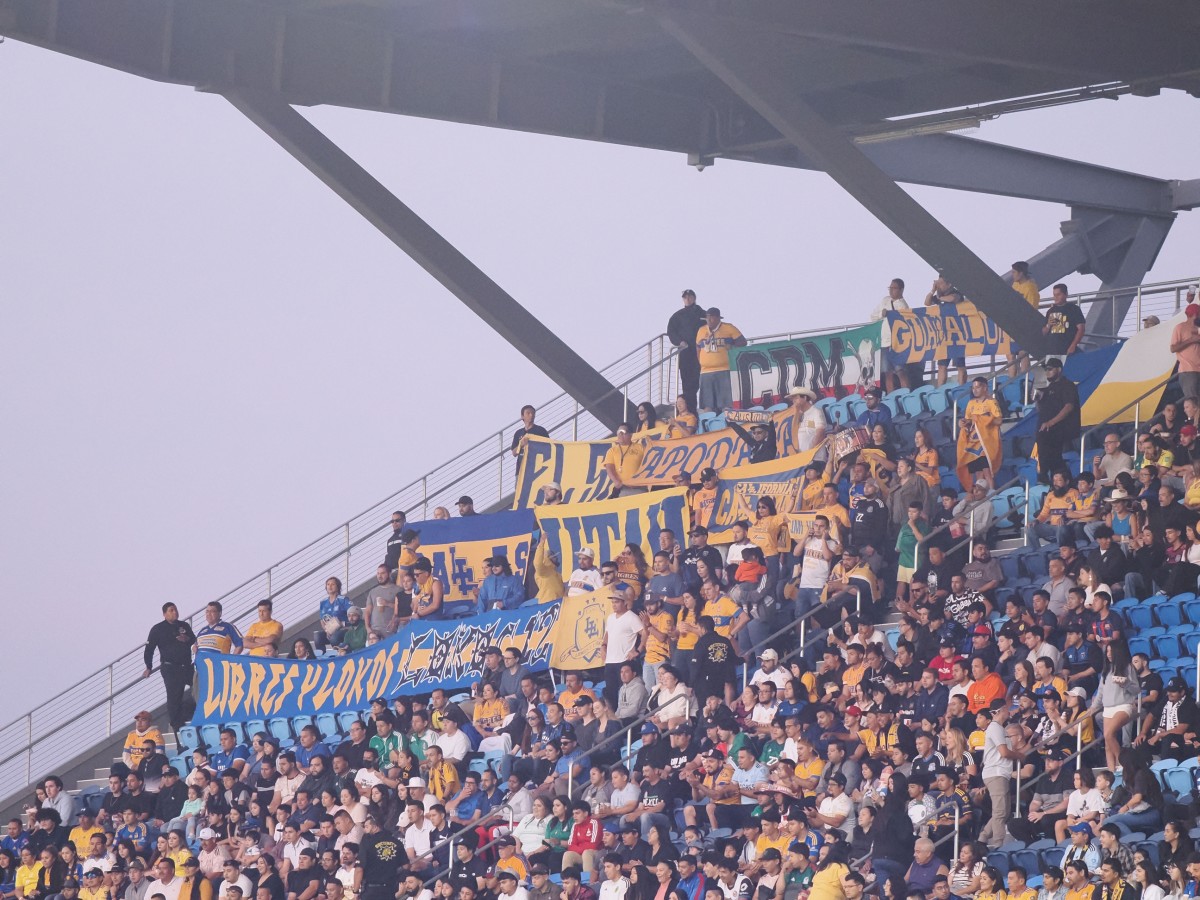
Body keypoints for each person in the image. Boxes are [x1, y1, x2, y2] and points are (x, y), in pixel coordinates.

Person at [141, 604, 197, 737]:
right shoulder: (158, 629)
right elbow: (149, 649)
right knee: (174, 699)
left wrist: (187, 639)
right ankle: (177, 729)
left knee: (201, 687)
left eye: (176, 609)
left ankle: (194, 714)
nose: (175, 612)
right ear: (164, 614)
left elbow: (194, 640)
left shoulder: (184, 626)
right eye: (171, 610)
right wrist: (148, 666)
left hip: (187, 666)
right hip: (171, 668)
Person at [1036, 359, 1081, 482]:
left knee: (1053, 457)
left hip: (1059, 429)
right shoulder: (1048, 388)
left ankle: (1044, 475)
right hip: (1047, 429)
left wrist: (1051, 422)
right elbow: (1041, 410)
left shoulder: (1067, 385)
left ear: (1059, 370)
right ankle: (1064, 482)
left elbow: (1069, 406)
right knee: (1054, 460)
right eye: (1046, 369)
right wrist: (1038, 400)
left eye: (1050, 369)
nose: (1047, 372)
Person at [694, 307, 746, 413]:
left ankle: (727, 423)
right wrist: (701, 362)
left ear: (718, 318)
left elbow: (743, 342)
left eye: (711, 318)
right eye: (707, 318)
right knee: (707, 404)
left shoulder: (728, 328)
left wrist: (731, 346)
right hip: (706, 371)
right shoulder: (701, 330)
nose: (709, 320)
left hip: (724, 369)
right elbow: (698, 348)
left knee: (726, 403)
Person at [957, 378, 1003, 490]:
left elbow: (999, 420)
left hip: (986, 442)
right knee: (978, 473)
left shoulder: (991, 402)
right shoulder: (970, 403)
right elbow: (968, 421)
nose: (975, 390)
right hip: (973, 442)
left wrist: (984, 419)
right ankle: (979, 494)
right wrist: (962, 423)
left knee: (987, 471)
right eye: (973, 387)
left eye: (977, 387)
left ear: (985, 388)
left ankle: (991, 493)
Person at [669, 290, 708, 413]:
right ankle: (691, 411)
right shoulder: (677, 316)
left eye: (689, 297)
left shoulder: (704, 314)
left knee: (704, 383)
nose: (687, 299)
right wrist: (680, 342)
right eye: (685, 297)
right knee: (688, 387)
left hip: (703, 354)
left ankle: (707, 409)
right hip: (686, 356)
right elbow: (671, 332)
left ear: (694, 298)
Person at [925, 277, 968, 387]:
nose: (939, 286)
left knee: (960, 365)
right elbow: (927, 302)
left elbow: (952, 299)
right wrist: (932, 290)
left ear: (949, 284)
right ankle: (940, 390)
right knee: (942, 365)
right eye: (937, 283)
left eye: (941, 283)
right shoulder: (939, 296)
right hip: (944, 336)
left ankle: (962, 388)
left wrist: (940, 297)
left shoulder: (956, 293)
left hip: (958, 335)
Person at [870, 279, 912, 392]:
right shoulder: (885, 300)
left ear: (901, 290)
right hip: (884, 341)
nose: (891, 291)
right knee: (887, 372)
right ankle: (891, 397)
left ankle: (906, 394)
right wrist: (881, 314)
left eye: (894, 288)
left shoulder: (903, 305)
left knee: (900, 370)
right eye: (890, 288)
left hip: (897, 343)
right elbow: (873, 316)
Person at [1042, 284, 1086, 357]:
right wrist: (1048, 325)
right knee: (1052, 368)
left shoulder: (1074, 309)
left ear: (1066, 294)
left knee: (1067, 368)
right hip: (1052, 351)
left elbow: (1081, 329)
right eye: (1054, 295)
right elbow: (1043, 332)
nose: (1055, 297)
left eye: (1058, 294)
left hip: (1067, 350)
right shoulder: (1050, 311)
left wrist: (1073, 345)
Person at [605, 425, 647, 498]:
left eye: (623, 432)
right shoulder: (612, 451)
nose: (620, 435)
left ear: (630, 435)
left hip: (640, 488)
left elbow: (649, 463)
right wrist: (616, 482)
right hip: (623, 489)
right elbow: (609, 468)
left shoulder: (640, 447)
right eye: (619, 432)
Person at [1171, 302, 1200, 404]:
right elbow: (1173, 348)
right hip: (1188, 370)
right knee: (1193, 402)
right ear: (1195, 314)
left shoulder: (1198, 328)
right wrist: (1191, 340)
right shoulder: (1180, 328)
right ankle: (1194, 420)